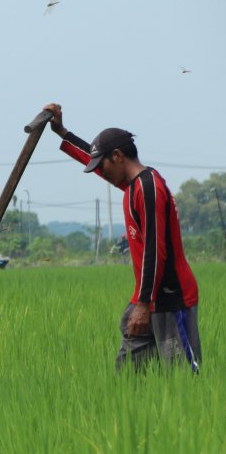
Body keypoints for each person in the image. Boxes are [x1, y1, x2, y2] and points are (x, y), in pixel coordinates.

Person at [44, 103, 200, 372]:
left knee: (183, 375)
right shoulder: (131, 186)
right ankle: (130, 408)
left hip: (171, 299)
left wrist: (143, 305)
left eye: (101, 166)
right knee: (128, 372)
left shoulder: (148, 188)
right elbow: (93, 159)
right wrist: (62, 132)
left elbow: (155, 250)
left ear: (117, 156)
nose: (99, 172)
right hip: (148, 298)